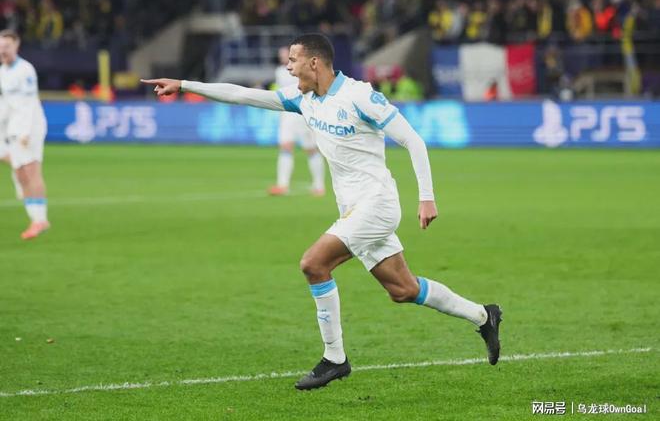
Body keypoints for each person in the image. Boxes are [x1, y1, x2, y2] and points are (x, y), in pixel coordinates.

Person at [142, 33, 502, 391]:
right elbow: (242, 94)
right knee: (403, 289)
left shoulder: (360, 96)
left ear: (314, 62)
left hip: (377, 204)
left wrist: (426, 197)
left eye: (293, 60)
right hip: (353, 210)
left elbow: (413, 140)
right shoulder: (304, 100)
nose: (288, 67)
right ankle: (483, 316)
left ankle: (335, 358)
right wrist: (185, 85)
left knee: (313, 263)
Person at [0, 30, 49, 239]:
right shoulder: (3, 71)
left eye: (7, 46)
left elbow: (29, 104)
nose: (3, 51)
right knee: (20, 173)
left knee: (31, 171)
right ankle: (34, 218)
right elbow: (8, 103)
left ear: (16, 46)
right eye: (0, 47)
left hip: (30, 127)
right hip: (13, 127)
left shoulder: (25, 69)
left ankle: (40, 220)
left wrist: (26, 131)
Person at [269, 46, 325, 196]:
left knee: (310, 148)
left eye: (285, 54)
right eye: (281, 54)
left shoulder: (303, 68)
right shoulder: (279, 71)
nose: (282, 57)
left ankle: (319, 185)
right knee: (285, 146)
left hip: (302, 112)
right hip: (286, 113)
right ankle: (282, 185)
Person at [0, 88, 24, 200]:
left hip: (4, 142)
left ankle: (22, 192)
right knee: (17, 163)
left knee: (17, 163)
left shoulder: (6, 103)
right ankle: (22, 192)